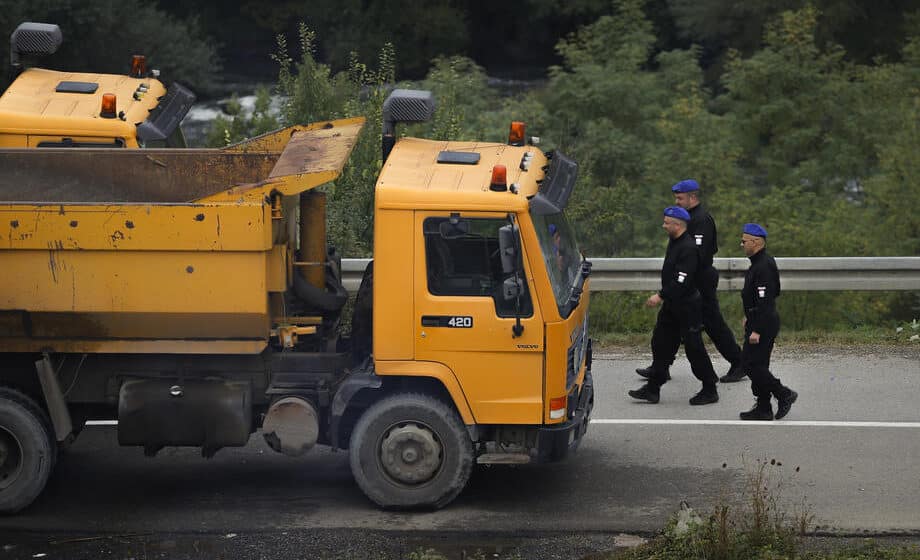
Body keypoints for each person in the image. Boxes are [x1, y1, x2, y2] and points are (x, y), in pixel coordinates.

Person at [636, 179, 744, 383]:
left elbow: (699, 255)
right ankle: (660, 368)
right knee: (669, 325)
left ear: (693, 197)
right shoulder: (683, 218)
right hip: (685, 283)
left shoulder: (701, 220)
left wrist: (683, 282)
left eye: (680, 198)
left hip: (699, 282)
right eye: (676, 198)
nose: (676, 202)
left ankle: (738, 362)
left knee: (713, 324)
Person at [629, 206, 719, 405]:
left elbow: (681, 281)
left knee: (694, 349)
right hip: (673, 306)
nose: (663, 226)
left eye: (667, 223)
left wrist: (660, 295)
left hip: (687, 307)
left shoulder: (688, 248)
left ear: (677, 225)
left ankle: (710, 388)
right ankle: (653, 389)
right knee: (661, 343)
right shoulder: (675, 241)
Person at [737, 223, 797, 420]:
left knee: (750, 364)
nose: (742, 244)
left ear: (756, 242)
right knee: (758, 364)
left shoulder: (763, 266)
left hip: (763, 324)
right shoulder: (759, 262)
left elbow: (766, 299)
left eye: (744, 241)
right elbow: (766, 295)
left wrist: (757, 329)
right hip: (760, 319)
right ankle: (763, 407)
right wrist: (749, 315)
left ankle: (783, 394)